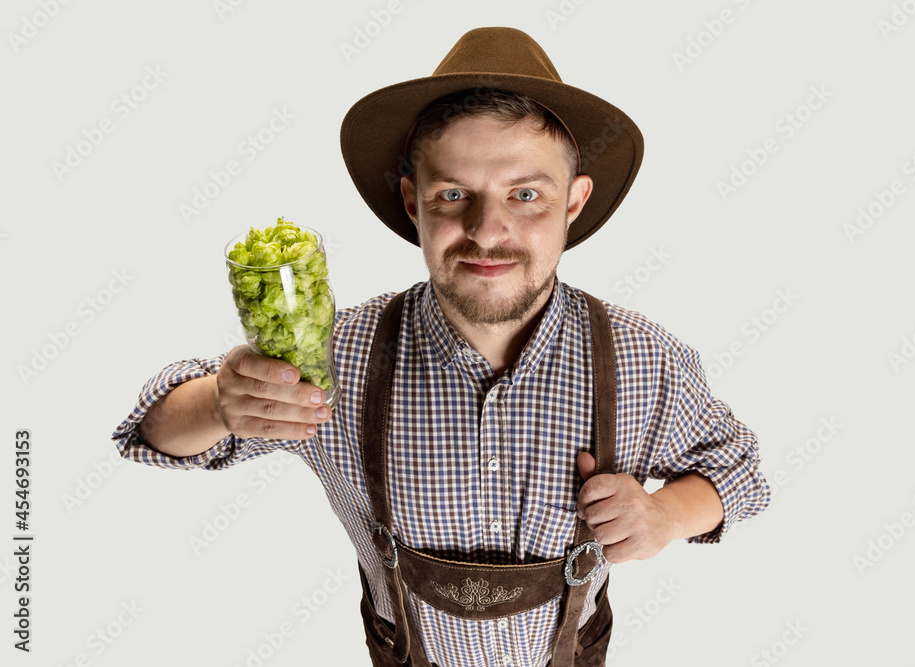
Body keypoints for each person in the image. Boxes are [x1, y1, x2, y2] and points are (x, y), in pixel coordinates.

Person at [112, 27, 770, 667]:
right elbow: (152, 432)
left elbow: (739, 469)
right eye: (454, 194)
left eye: (526, 195)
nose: (489, 231)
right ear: (411, 202)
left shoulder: (639, 359)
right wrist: (221, 403)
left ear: (573, 202)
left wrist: (667, 513)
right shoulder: (337, 358)